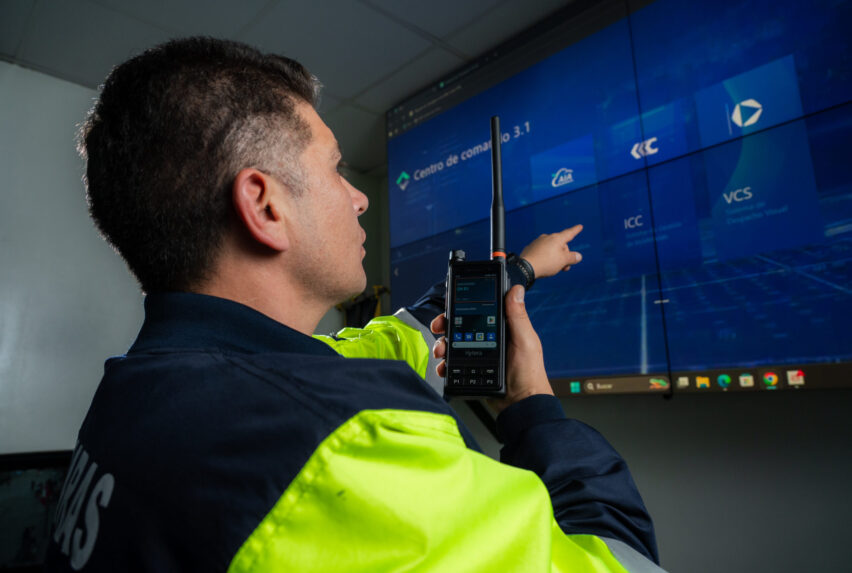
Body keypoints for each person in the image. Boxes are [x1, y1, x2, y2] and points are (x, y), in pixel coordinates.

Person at [45, 37, 663, 572]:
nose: (360, 198)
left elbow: (382, 342)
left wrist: (520, 268)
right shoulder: (350, 444)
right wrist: (533, 411)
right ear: (265, 206)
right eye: (336, 170)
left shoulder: (135, 390)